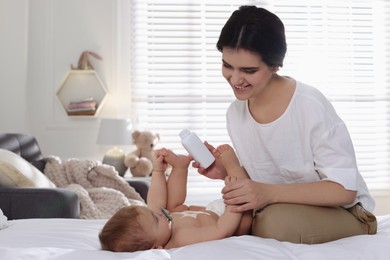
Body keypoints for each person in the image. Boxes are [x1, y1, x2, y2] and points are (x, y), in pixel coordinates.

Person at [192, 5, 377, 244]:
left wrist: (267, 194)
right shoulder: (235, 113)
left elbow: (343, 190)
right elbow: (268, 178)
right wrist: (226, 170)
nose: (235, 79)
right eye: (228, 65)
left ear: (275, 65)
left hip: (346, 213)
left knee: (271, 222)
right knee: (219, 216)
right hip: (279, 207)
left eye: (249, 70)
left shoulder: (309, 105)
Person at [99, 145, 252, 252]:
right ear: (156, 248)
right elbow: (222, 230)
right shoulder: (182, 239)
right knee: (240, 193)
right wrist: (233, 203)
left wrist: (158, 172)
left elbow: (156, 202)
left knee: (172, 207)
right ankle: (233, 165)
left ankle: (179, 168)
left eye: (151, 213)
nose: (159, 213)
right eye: (156, 219)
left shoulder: (161, 228)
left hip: (210, 212)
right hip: (232, 220)